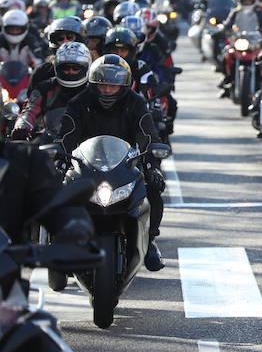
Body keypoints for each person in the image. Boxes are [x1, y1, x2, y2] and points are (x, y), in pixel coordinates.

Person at [58, 55, 167, 271]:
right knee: (59, 188)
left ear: (124, 84)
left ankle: (150, 240)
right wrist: (61, 159)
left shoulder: (135, 102)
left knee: (153, 187)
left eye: (113, 85)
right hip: (86, 164)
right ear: (93, 84)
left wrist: (152, 164)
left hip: (125, 164)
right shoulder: (79, 102)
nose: (107, 90)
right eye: (102, 85)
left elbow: (148, 134)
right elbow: (67, 134)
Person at [0, 141, 93, 296]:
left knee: (34, 320)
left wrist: (74, 227)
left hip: (6, 294)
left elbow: (55, 201)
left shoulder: (24, 159)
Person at [11, 42, 91, 141]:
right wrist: (22, 127)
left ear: (86, 67)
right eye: (65, 68)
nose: (70, 71)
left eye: (76, 68)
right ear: (57, 67)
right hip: (51, 141)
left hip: (86, 145)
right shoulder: (45, 88)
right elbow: (31, 110)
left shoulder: (92, 90)